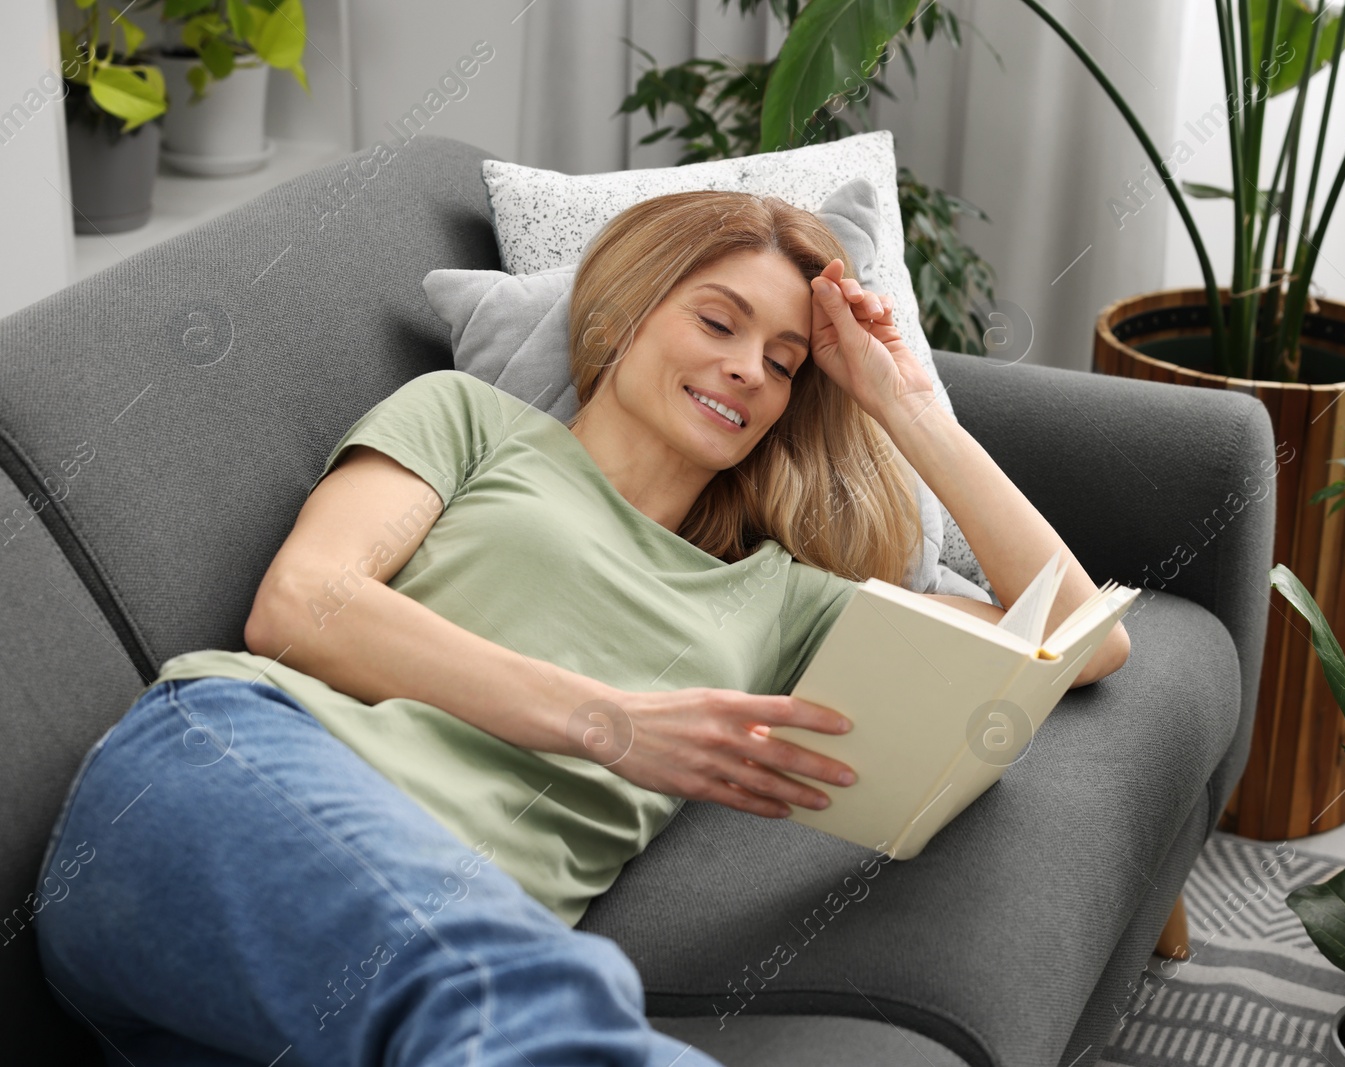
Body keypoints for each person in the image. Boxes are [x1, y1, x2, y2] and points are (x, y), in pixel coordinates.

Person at [35, 189, 1129, 1066]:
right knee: (518, 1000)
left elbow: (1083, 639)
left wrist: (903, 405)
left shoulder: (784, 597)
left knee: (487, 997)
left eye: (786, 363)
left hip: (376, 991)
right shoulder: (470, 420)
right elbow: (302, 605)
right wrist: (609, 723)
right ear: (621, 315)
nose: (749, 368)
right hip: (220, 781)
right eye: (716, 320)